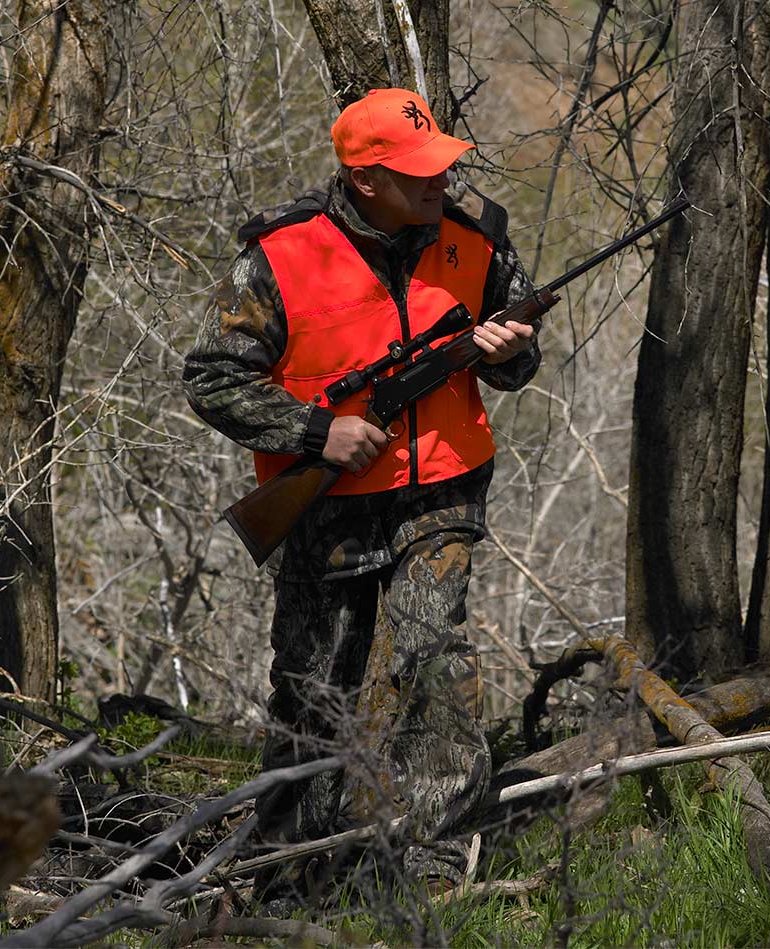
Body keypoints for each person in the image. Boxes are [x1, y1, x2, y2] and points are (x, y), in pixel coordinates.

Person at [182, 88, 541, 904]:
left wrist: (505, 351)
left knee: (432, 663)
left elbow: (520, 366)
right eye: (418, 174)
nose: (439, 184)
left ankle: (436, 870)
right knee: (312, 679)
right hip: (326, 503)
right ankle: (286, 867)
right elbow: (209, 377)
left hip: (441, 490)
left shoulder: (475, 237)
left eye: (441, 167)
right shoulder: (278, 256)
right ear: (367, 178)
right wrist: (317, 434)